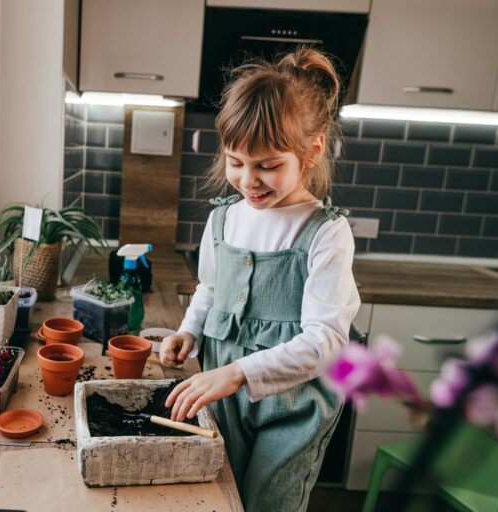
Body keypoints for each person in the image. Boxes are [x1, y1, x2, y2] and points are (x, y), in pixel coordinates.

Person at [161, 48, 361, 511]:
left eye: (267, 165)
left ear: (312, 150)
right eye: (236, 161)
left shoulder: (326, 233)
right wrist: (189, 331)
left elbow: (326, 342)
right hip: (223, 396)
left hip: (294, 409)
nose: (248, 180)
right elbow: (210, 289)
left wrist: (238, 373)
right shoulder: (223, 219)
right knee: (219, 498)